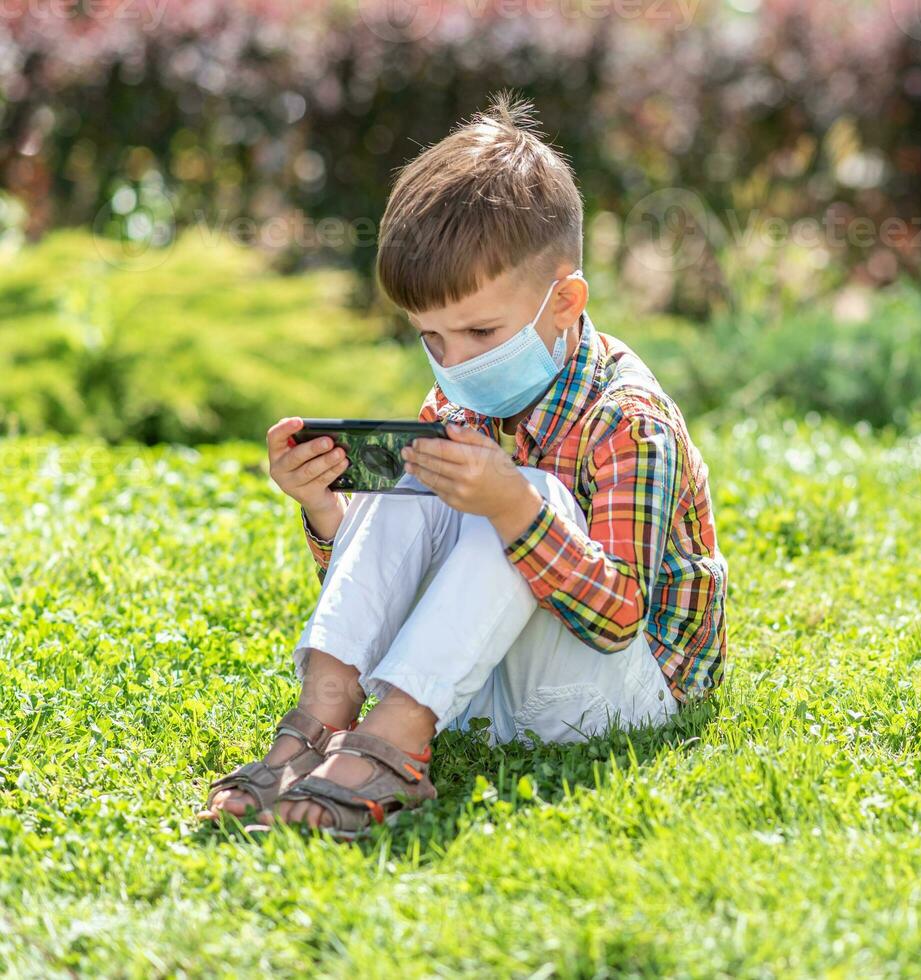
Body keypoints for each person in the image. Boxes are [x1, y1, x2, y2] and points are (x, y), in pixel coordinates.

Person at [198, 93, 728, 838]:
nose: (458, 361)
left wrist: (514, 507)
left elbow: (618, 622)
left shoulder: (627, 422)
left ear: (565, 300)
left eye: (482, 329)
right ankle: (325, 713)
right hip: (477, 687)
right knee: (415, 475)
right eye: (434, 339)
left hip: (614, 693)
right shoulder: (458, 404)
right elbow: (393, 582)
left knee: (525, 492)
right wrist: (326, 510)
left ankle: (399, 740)